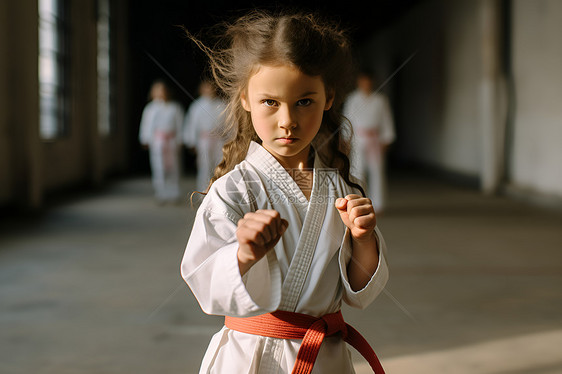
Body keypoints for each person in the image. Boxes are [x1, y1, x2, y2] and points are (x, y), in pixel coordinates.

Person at [180, 11, 389, 374]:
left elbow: (358, 289)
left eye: (304, 101)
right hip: (252, 358)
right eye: (270, 102)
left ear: (328, 98)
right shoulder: (233, 192)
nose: (288, 120)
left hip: (325, 357)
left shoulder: (341, 188)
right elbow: (205, 283)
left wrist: (364, 239)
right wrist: (243, 254)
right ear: (245, 98)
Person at [343, 71, 395, 214]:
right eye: (363, 81)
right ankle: (359, 201)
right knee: (357, 171)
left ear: (372, 82)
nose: (365, 84)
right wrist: (346, 138)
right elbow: (347, 119)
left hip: (375, 139)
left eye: (368, 81)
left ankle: (378, 204)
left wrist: (386, 139)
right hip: (358, 138)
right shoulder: (352, 99)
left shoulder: (380, 100)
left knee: (377, 170)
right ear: (359, 82)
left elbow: (386, 119)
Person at [138, 80, 184, 204]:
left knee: (173, 167)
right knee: (159, 167)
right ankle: (161, 193)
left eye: (162, 89)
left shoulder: (174, 107)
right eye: (157, 90)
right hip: (158, 142)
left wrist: (180, 139)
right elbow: (146, 125)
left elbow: (179, 125)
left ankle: (174, 193)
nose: (160, 92)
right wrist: (145, 138)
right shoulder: (150, 108)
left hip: (171, 141)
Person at [183, 79, 227, 192]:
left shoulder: (222, 105)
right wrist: (192, 141)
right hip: (204, 140)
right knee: (204, 166)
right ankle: (203, 192)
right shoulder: (196, 105)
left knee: (219, 166)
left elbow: (229, 124)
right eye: (206, 87)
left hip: (219, 140)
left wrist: (229, 139)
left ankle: (218, 193)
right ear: (201, 89)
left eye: (211, 87)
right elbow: (192, 124)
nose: (209, 90)